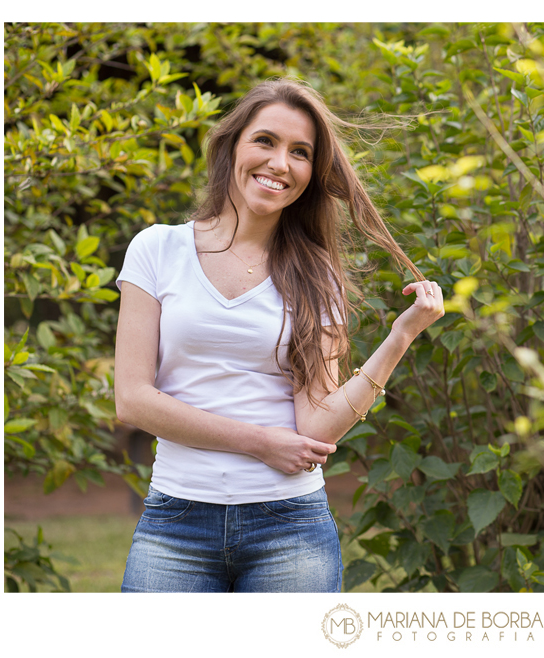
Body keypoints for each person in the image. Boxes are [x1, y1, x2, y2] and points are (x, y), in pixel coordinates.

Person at [114, 78, 443, 592]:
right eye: (265, 141)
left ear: (312, 174)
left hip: (289, 529)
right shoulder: (157, 250)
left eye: (300, 152)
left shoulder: (318, 276)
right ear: (233, 146)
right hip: (175, 524)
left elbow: (317, 426)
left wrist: (401, 335)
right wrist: (260, 443)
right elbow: (132, 400)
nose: (279, 163)